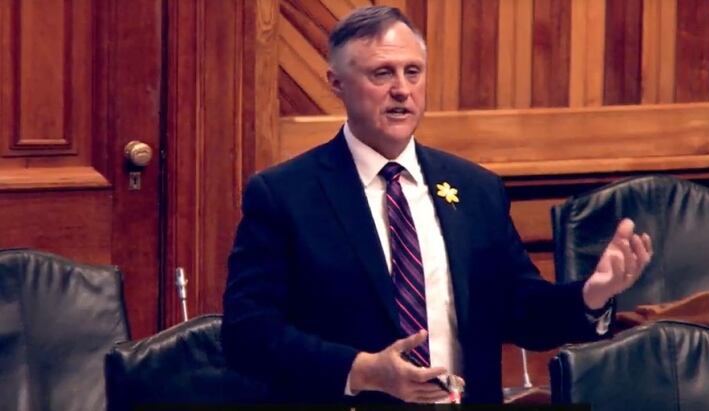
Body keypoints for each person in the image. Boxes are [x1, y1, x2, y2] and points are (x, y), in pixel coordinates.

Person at [222, 5, 652, 404]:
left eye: (413, 72)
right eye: (382, 74)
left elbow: (522, 311)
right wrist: (362, 370)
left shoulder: (474, 189)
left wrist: (592, 295)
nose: (402, 91)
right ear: (336, 83)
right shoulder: (286, 195)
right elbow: (247, 334)